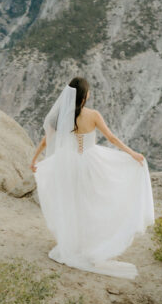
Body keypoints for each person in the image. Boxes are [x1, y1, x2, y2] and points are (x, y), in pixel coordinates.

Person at [30, 77, 155, 279]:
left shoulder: (61, 116)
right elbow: (112, 138)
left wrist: (34, 159)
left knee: (75, 203)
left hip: (69, 164)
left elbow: (47, 140)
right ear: (85, 96)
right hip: (91, 163)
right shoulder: (93, 115)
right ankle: (91, 245)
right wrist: (132, 154)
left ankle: (75, 244)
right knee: (94, 201)